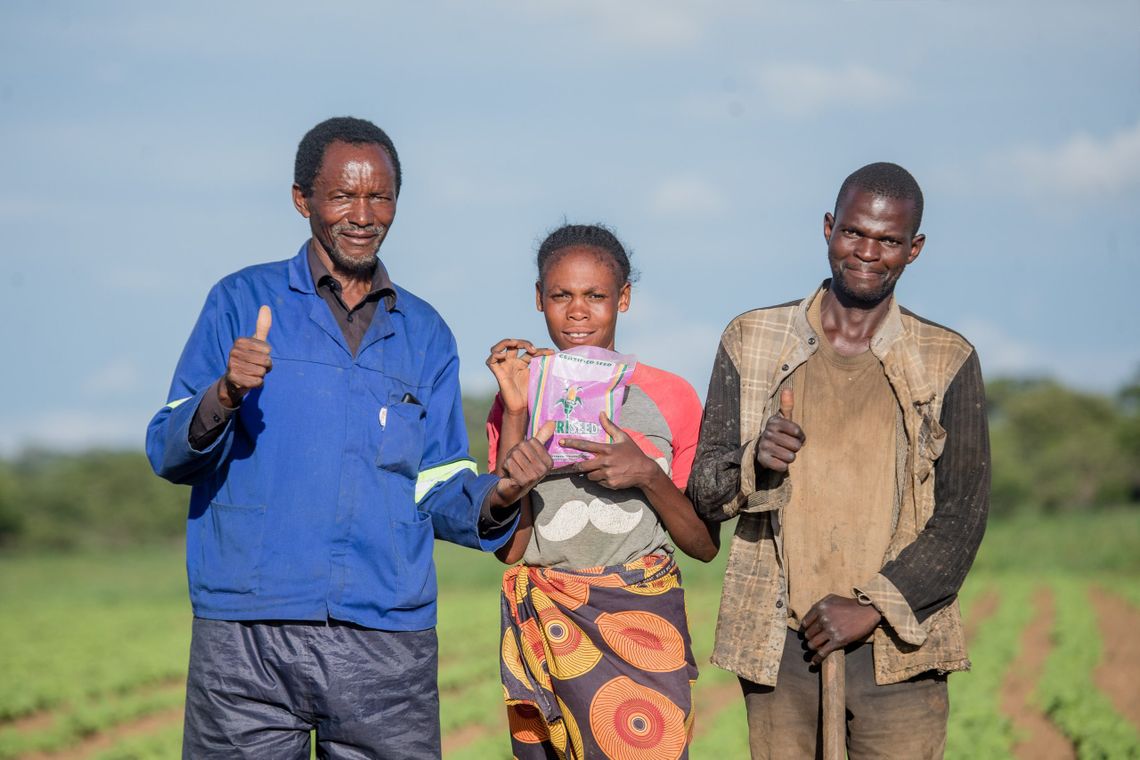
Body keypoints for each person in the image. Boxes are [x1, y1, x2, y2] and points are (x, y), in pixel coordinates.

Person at [146, 116, 553, 759]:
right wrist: (224, 393)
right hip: (248, 635)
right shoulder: (240, 301)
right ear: (302, 199)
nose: (363, 216)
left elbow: (438, 483)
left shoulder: (425, 332)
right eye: (342, 196)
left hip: (387, 641)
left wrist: (500, 494)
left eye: (379, 197)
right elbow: (167, 449)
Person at [688, 163, 990, 759]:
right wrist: (755, 461)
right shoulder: (752, 340)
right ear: (829, 228)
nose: (868, 253)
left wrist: (872, 607)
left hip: (900, 651)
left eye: (888, 240)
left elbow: (961, 521)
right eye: (854, 232)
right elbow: (704, 490)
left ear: (914, 249)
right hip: (781, 644)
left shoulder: (945, 358)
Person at [485, 223, 720, 760]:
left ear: (624, 298)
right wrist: (518, 411)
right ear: (539, 298)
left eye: (595, 296)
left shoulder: (670, 397)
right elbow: (511, 549)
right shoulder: (518, 395)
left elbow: (704, 546)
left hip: (642, 626)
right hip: (547, 623)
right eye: (560, 296)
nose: (577, 312)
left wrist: (647, 474)